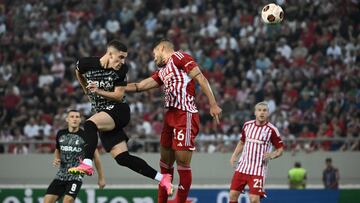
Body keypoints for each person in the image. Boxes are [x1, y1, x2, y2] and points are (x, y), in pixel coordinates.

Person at [67, 40, 173, 195]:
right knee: (122, 158)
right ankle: (163, 178)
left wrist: (97, 91)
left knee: (89, 124)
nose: (122, 62)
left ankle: (87, 163)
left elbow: (118, 96)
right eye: (120, 57)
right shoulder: (86, 63)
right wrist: (86, 89)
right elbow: (78, 71)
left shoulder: (121, 69)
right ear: (110, 54)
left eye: (125, 58)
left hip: (118, 110)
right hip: (104, 114)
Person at [125, 39, 222, 203]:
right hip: (169, 117)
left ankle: (180, 201)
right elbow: (139, 86)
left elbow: (201, 79)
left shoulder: (180, 57)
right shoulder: (162, 71)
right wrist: (113, 87)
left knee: (182, 164)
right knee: (165, 165)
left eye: (155, 54)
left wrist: (213, 104)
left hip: (185, 114)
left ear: (162, 48)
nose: (154, 58)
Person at [44, 110, 106, 203]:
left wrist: (101, 178)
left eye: (77, 117)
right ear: (67, 119)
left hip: (76, 176)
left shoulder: (86, 136)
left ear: (80, 120)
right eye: (72, 117)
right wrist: (56, 158)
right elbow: (58, 149)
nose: (75, 119)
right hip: (61, 175)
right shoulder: (61, 134)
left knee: (67, 200)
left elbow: (96, 157)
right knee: (47, 201)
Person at [228, 102, 284, 203]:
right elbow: (242, 142)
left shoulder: (272, 130)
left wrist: (272, 155)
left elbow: (280, 150)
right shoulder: (247, 125)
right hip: (242, 167)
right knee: (232, 195)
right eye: (259, 110)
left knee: (254, 199)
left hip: (258, 170)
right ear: (255, 112)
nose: (262, 113)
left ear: (268, 113)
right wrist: (234, 156)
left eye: (264, 110)